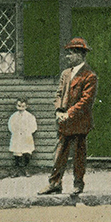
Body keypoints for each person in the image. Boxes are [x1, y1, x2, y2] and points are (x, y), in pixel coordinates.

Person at [39, 37, 97, 197]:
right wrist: (58, 110)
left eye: (71, 53)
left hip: (79, 122)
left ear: (80, 55)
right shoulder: (65, 74)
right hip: (64, 122)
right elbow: (58, 94)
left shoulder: (89, 76)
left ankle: (78, 184)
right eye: (68, 53)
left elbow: (86, 101)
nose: (68, 56)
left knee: (79, 155)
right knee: (60, 154)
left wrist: (68, 114)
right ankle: (55, 184)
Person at [8, 97, 37, 177]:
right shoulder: (13, 116)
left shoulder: (30, 116)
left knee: (27, 153)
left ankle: (26, 169)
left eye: (23, 106)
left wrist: (27, 132)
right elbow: (10, 126)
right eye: (19, 106)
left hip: (26, 137)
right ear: (16, 106)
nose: (20, 108)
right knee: (17, 154)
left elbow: (34, 127)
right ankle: (16, 170)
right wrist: (15, 132)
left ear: (26, 106)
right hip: (17, 136)